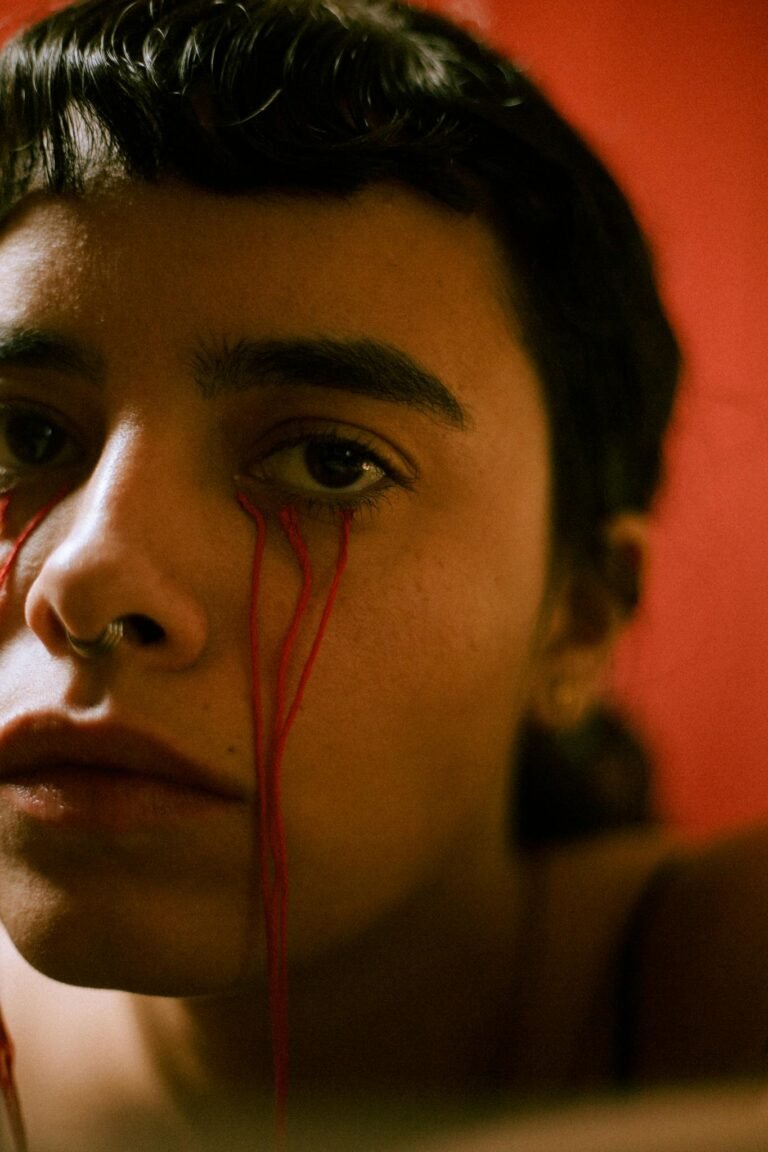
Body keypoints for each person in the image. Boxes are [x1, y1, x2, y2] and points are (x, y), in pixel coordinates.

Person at [0, 1, 766, 1149]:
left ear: (578, 619)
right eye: (21, 437)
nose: (90, 576)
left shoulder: (719, 975)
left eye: (331, 461)